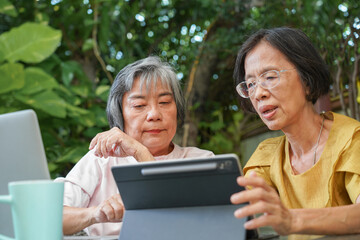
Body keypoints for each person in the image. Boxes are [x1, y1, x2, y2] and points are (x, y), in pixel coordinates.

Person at [55, 56, 214, 236]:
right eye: (139, 105)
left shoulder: (201, 161)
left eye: (164, 102)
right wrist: (96, 213)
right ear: (120, 115)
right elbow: (50, 217)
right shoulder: (101, 159)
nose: (154, 114)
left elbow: (177, 226)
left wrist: (141, 153)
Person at [230, 27, 360, 235]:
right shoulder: (267, 154)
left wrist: (292, 220)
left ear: (306, 80)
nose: (258, 93)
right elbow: (234, 210)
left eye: (270, 77)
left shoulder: (351, 139)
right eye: (251, 84)